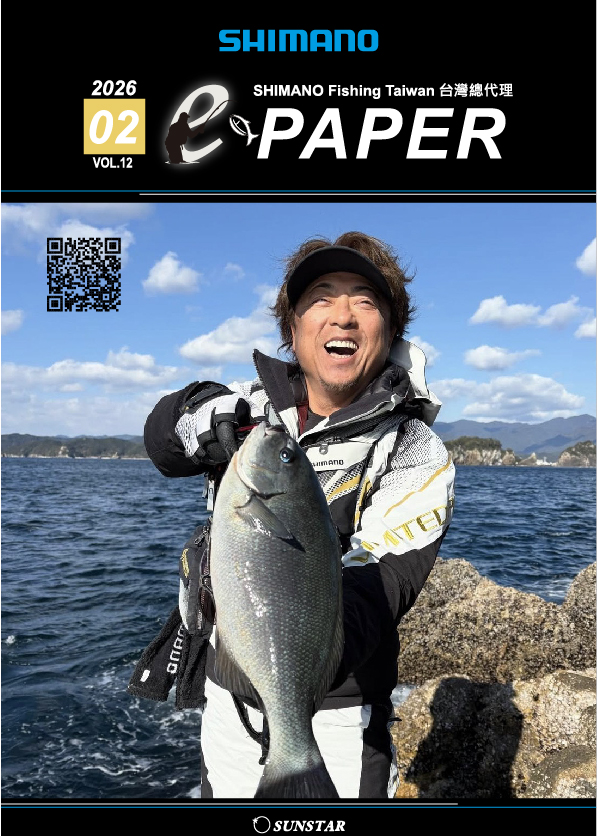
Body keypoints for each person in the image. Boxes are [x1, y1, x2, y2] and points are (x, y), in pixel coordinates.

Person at [136, 230, 455, 799]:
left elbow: (381, 590)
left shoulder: (416, 452)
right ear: (292, 327)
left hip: (337, 718)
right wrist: (196, 411)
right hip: (225, 698)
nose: (343, 316)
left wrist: (290, 669)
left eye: (365, 300)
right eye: (321, 297)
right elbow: (162, 442)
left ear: (391, 330)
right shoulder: (250, 409)